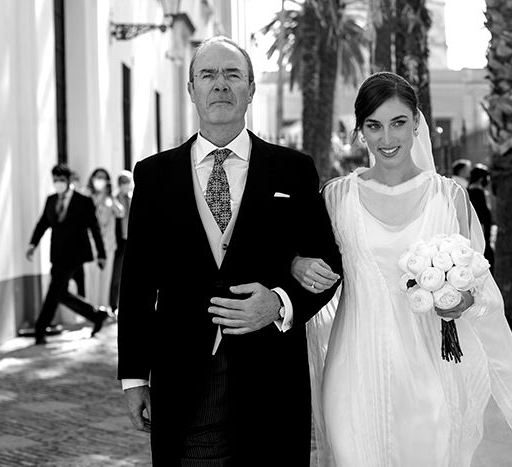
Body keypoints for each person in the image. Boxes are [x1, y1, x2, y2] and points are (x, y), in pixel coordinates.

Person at [292, 72, 512, 466]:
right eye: (374, 126)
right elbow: (301, 259)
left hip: (430, 369)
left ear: (417, 122)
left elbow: (480, 288)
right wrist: (297, 264)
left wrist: (461, 299)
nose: (387, 138)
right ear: (361, 131)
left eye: (398, 123)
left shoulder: (449, 198)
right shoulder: (335, 197)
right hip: (353, 371)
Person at [117, 36, 342, 466]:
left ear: (251, 89)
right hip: (184, 381)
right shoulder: (154, 175)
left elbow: (328, 264)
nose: (220, 84)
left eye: (232, 74)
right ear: (191, 89)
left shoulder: (293, 170)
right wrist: (133, 377)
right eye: (208, 74)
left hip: (271, 382)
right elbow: (138, 284)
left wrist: (279, 304)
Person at [26, 164, 110, 345]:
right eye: (55, 180)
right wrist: (33, 244)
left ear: (69, 180)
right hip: (57, 254)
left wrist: (101, 254)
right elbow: (43, 224)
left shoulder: (83, 201)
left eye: (61, 180)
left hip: (75, 255)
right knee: (61, 294)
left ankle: (40, 330)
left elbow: (94, 228)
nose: (58, 183)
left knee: (54, 290)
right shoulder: (50, 201)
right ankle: (96, 315)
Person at [84, 168, 123, 311]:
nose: (100, 180)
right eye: (97, 177)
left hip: (109, 244)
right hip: (91, 244)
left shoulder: (110, 199)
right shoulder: (87, 197)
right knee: (91, 277)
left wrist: (110, 197)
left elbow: (120, 212)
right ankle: (91, 309)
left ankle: (104, 308)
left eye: (103, 178)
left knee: (106, 277)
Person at [109, 170, 133, 312]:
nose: (125, 185)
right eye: (122, 182)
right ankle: (114, 305)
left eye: (127, 181)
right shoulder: (114, 199)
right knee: (117, 276)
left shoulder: (135, 197)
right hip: (120, 242)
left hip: (134, 241)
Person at [468, 164, 495, 274]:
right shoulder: (478, 193)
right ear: (481, 179)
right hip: (481, 236)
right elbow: (483, 216)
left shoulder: (467, 192)